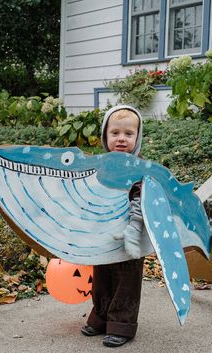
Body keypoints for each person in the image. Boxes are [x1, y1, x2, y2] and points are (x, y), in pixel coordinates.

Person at [81, 105, 146, 348]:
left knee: (126, 278)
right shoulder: (100, 167)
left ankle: (122, 324)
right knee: (101, 277)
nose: (121, 138)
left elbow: (145, 196)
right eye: (115, 133)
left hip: (132, 233)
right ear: (105, 136)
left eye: (129, 134)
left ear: (137, 138)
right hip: (105, 232)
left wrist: (137, 222)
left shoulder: (141, 167)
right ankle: (100, 317)